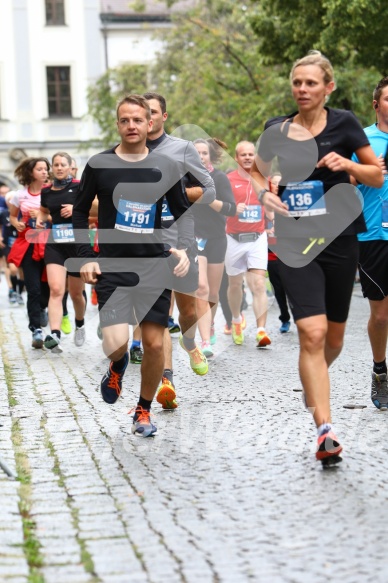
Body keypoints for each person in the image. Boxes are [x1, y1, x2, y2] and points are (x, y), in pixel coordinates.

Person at [250, 50, 383, 465]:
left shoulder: (344, 124)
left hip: (341, 238)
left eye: (311, 83)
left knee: (335, 338)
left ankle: (315, 376)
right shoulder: (276, 129)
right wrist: (264, 193)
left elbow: (376, 174)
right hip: (294, 241)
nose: (302, 89)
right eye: (297, 83)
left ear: (328, 88)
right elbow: (255, 170)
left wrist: (347, 163)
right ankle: (325, 428)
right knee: (312, 333)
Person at [72, 94, 194, 436]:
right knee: (115, 343)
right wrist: (86, 256)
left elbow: (183, 212)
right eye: (124, 120)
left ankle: (143, 409)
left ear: (150, 124)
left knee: (155, 344)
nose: (131, 125)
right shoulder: (98, 164)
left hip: (155, 264)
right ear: (117, 124)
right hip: (112, 264)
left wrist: (184, 249)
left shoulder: (166, 166)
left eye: (137, 120)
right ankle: (118, 363)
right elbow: (80, 211)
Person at [144, 92, 216, 410]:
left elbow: (208, 187)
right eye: (140, 112)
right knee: (159, 316)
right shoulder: (130, 153)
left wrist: (174, 194)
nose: (146, 118)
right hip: (148, 243)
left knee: (187, 313)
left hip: (181, 238)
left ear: (164, 116)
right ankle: (167, 381)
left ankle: (190, 344)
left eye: (153, 112)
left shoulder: (182, 149)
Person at [353, 77, 388, 410]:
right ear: (377, 105)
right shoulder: (363, 140)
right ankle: (380, 370)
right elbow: (342, 177)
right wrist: (366, 169)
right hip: (374, 235)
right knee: (380, 316)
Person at [37, 151, 86, 352]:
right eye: (55, 164)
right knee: (56, 289)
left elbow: (94, 208)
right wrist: (41, 219)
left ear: (70, 167)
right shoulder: (47, 191)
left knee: (75, 293)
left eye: (62, 164)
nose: (58, 167)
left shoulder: (79, 186)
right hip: (55, 243)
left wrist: (75, 209)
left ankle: (80, 324)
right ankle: (55, 333)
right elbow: (44, 209)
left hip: (76, 244)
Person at [225, 141, 272, 348]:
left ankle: (261, 330)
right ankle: (236, 319)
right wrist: (233, 209)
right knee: (235, 285)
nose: (247, 158)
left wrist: (272, 214)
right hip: (233, 238)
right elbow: (221, 208)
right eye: (243, 154)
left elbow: (269, 206)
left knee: (259, 284)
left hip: (257, 237)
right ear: (236, 158)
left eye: (250, 154)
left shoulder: (264, 180)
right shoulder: (227, 180)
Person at [193, 138, 236, 357]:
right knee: (201, 288)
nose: (200, 156)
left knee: (213, 292)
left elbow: (230, 208)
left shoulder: (219, 178)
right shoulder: (185, 178)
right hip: (194, 239)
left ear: (210, 156)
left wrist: (209, 199)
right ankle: (204, 340)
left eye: (204, 153)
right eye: (196, 153)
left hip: (217, 238)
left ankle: (209, 326)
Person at [7, 157, 51, 348]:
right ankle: (36, 330)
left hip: (50, 244)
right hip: (28, 243)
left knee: (49, 287)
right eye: (40, 169)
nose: (44, 172)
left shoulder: (52, 192)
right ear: (30, 172)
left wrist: (45, 216)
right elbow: (12, 215)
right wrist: (16, 223)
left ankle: (42, 307)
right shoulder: (20, 195)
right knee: (32, 288)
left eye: (45, 169)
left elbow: (59, 216)